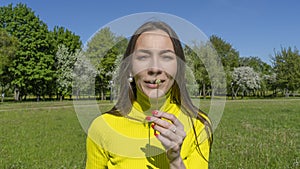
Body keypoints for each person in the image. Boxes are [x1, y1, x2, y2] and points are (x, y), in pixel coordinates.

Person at [85, 21, 213, 169]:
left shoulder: (198, 125)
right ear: (130, 68)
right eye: (143, 57)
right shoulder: (101, 127)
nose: (154, 68)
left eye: (166, 57)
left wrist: (175, 160)